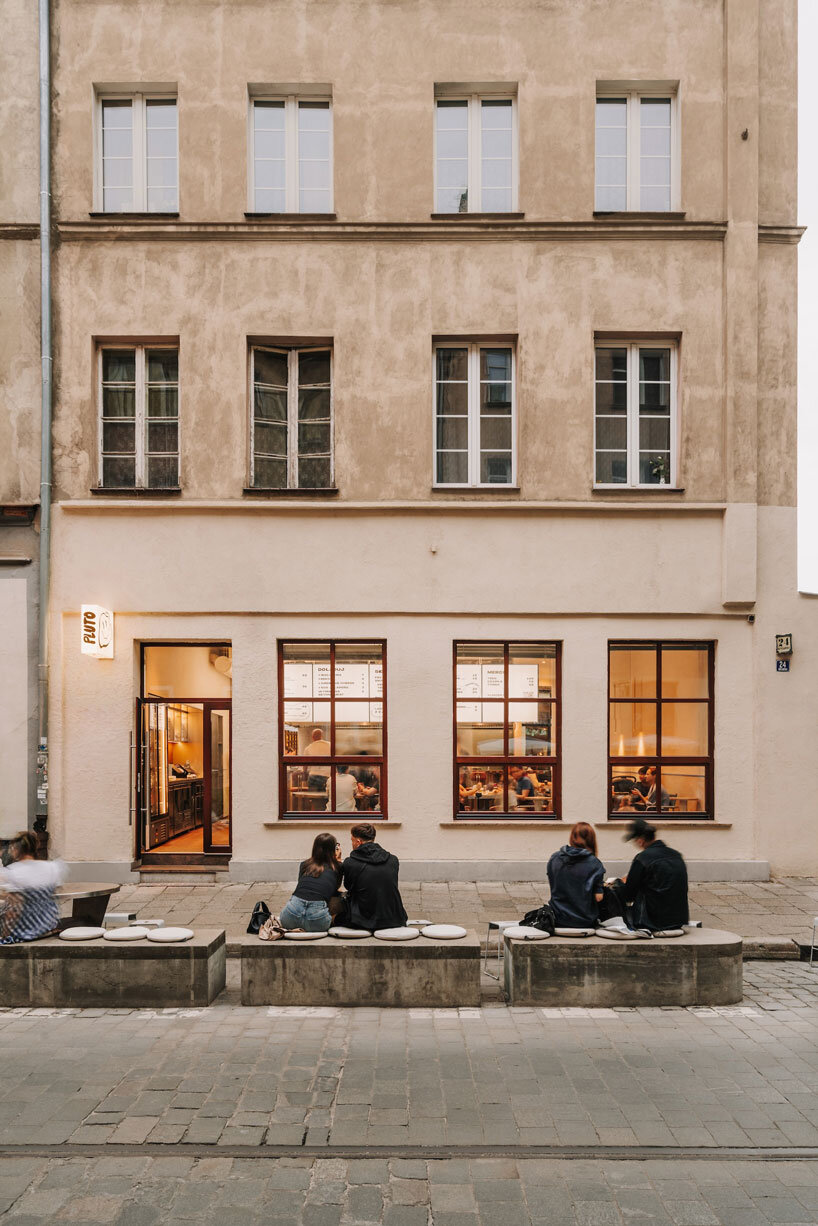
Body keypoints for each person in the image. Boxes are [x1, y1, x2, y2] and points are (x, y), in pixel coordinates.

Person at [615, 818, 689, 931]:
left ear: (640, 840)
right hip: (678, 920)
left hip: (652, 921)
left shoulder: (643, 858)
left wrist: (620, 883)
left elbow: (629, 895)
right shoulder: (676, 855)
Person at [0, 831, 66, 944]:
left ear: (16, 850)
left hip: (25, 931)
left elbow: (14, 911)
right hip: (47, 926)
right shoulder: (53, 867)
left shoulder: (13, 872)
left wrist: (5, 935)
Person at [340, 823, 407, 931]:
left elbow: (348, 886)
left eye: (352, 840)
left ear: (358, 842)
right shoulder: (393, 860)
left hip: (362, 920)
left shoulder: (350, 863)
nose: (351, 844)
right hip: (394, 918)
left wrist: (338, 865)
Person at [279, 832, 343, 932]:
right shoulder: (338, 867)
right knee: (340, 898)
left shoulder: (304, 864)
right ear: (333, 849)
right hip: (317, 923)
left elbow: (301, 884)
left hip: (289, 919)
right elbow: (334, 889)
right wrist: (338, 860)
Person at [546, 822, 605, 929]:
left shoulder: (554, 858)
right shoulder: (595, 864)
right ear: (591, 839)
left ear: (571, 837)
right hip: (584, 921)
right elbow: (598, 898)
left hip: (558, 918)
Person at [303, 728, 331, 796]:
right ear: (322, 736)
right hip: (326, 776)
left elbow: (305, 764)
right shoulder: (330, 745)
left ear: (312, 737)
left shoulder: (308, 748)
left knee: (313, 798)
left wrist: (305, 775)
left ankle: (314, 806)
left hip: (313, 776)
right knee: (325, 798)